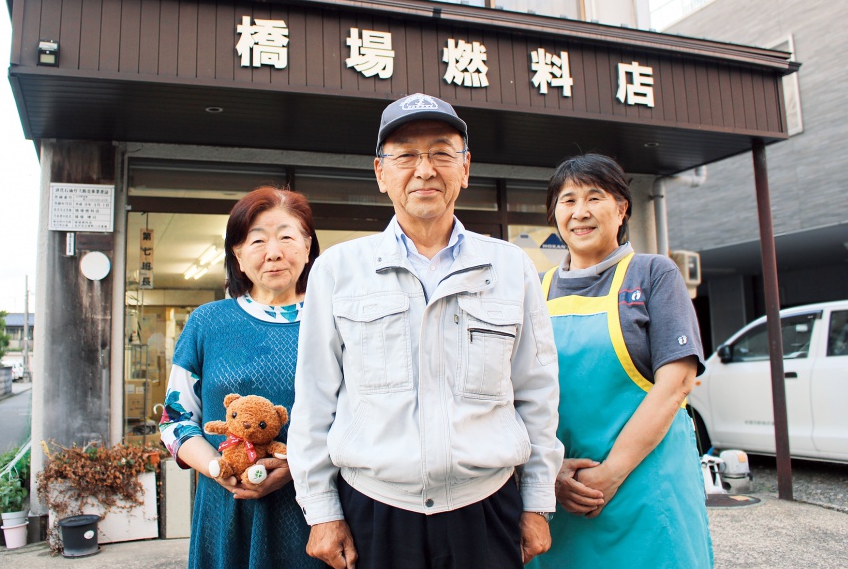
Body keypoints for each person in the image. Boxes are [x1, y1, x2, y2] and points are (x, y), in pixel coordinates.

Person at [289, 93, 564, 569]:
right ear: (380, 172)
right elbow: (314, 400)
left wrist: (538, 502)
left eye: (441, 152)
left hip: (486, 507)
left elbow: (537, 394)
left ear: (465, 167)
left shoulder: (510, 266)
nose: (425, 169)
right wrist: (321, 511)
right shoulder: (338, 269)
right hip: (373, 509)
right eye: (406, 155)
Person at [528, 153, 713, 568]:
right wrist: (552, 474)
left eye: (594, 198)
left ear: (622, 208)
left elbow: (676, 384)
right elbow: (517, 394)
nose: (580, 213)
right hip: (563, 492)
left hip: (646, 486)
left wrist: (610, 474)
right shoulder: (535, 291)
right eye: (568, 200)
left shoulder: (653, 274)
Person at [159, 187, 325, 569]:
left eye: (286, 236)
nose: (274, 252)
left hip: (311, 506)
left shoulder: (332, 321)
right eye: (257, 240)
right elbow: (176, 420)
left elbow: (354, 416)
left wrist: (292, 466)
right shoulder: (207, 322)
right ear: (237, 253)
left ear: (307, 246)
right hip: (223, 508)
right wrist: (217, 469)